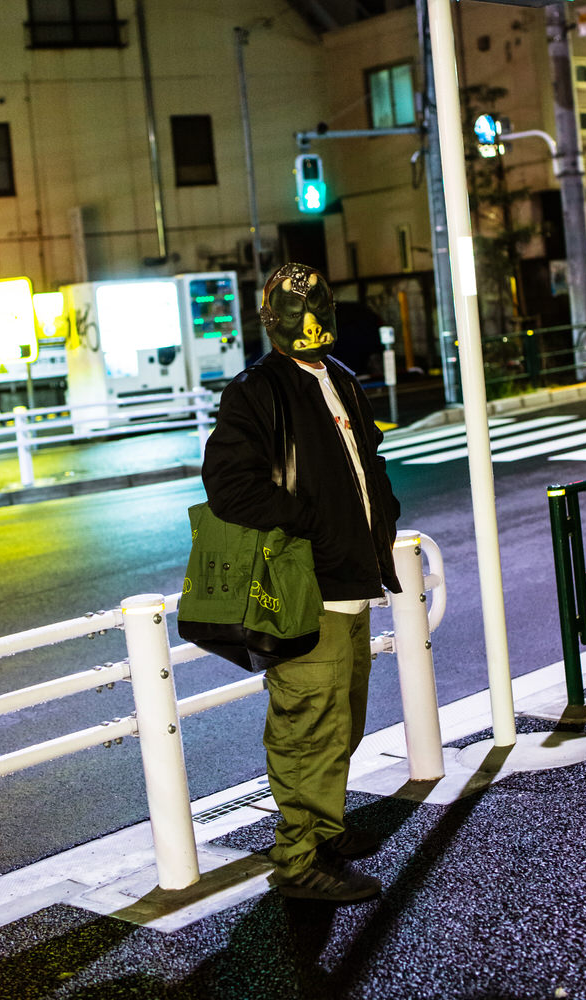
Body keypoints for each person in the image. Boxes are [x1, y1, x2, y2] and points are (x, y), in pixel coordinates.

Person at [201, 262, 401, 903]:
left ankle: (324, 829)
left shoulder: (339, 377)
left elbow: (368, 461)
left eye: (318, 304)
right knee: (307, 725)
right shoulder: (257, 390)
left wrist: (382, 517)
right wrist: (311, 523)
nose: (310, 320)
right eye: (294, 309)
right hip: (307, 590)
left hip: (352, 580)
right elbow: (229, 486)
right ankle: (298, 860)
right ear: (271, 321)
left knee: (342, 721)